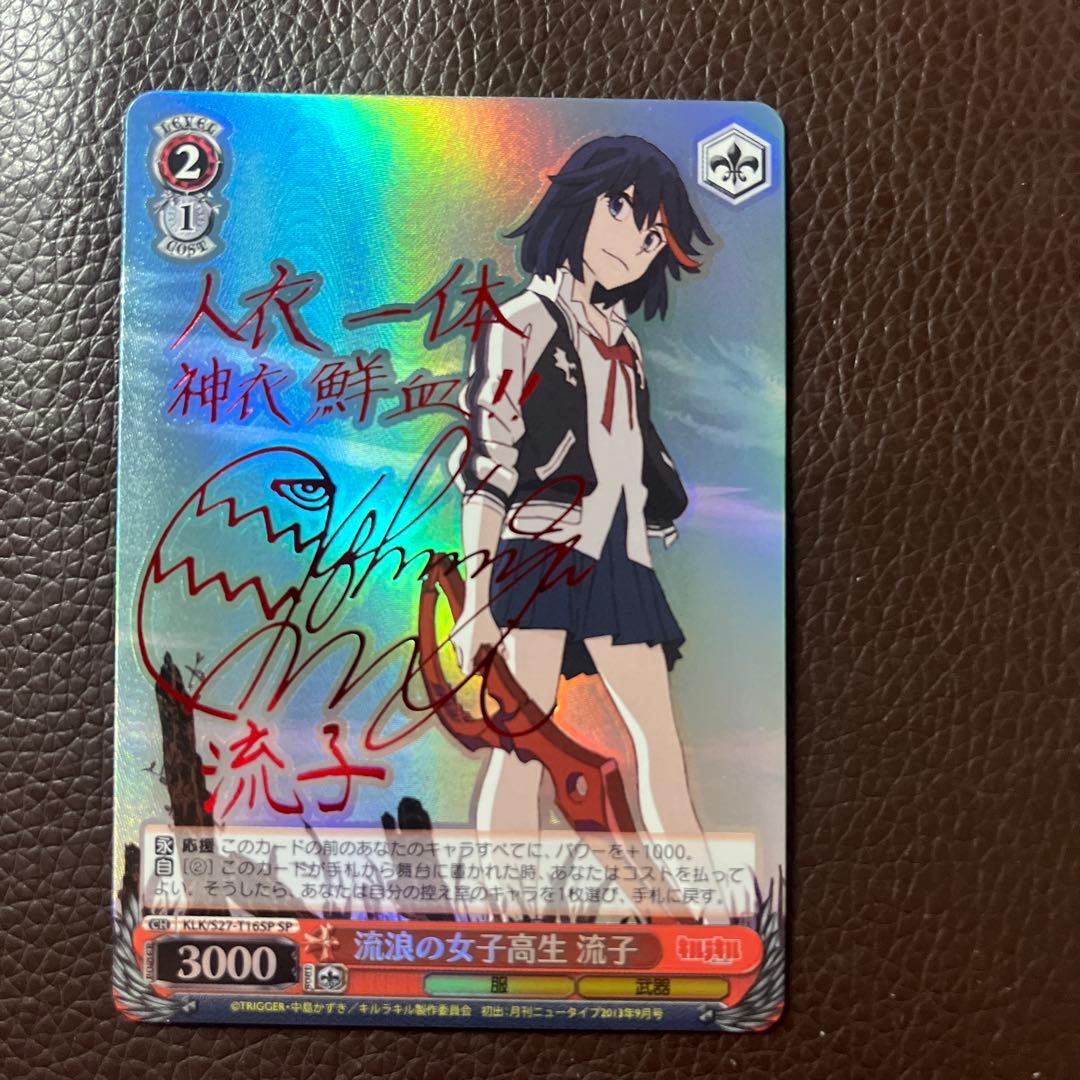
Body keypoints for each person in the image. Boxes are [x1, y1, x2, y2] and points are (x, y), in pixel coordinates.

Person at [449, 135, 715, 917]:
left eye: (654, 235)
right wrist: (475, 602)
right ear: (578, 203)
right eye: (622, 210)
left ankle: (706, 912)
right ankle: (506, 918)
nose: (635, 242)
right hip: (540, 552)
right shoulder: (520, 321)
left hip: (619, 560)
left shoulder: (625, 342)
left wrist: (652, 514)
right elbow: (489, 460)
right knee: (525, 743)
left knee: (658, 741)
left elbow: (627, 452)